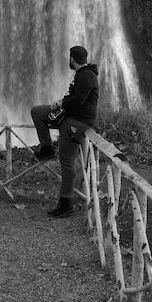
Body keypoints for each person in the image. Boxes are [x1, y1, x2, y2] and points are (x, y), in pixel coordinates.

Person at [31, 45, 99, 218]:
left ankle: (66, 203)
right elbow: (74, 98)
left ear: (72, 59)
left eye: (69, 57)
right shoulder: (83, 74)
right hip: (69, 116)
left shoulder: (87, 76)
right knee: (37, 112)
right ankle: (46, 148)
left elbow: (78, 100)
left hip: (77, 122)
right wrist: (61, 103)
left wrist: (60, 104)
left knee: (67, 161)